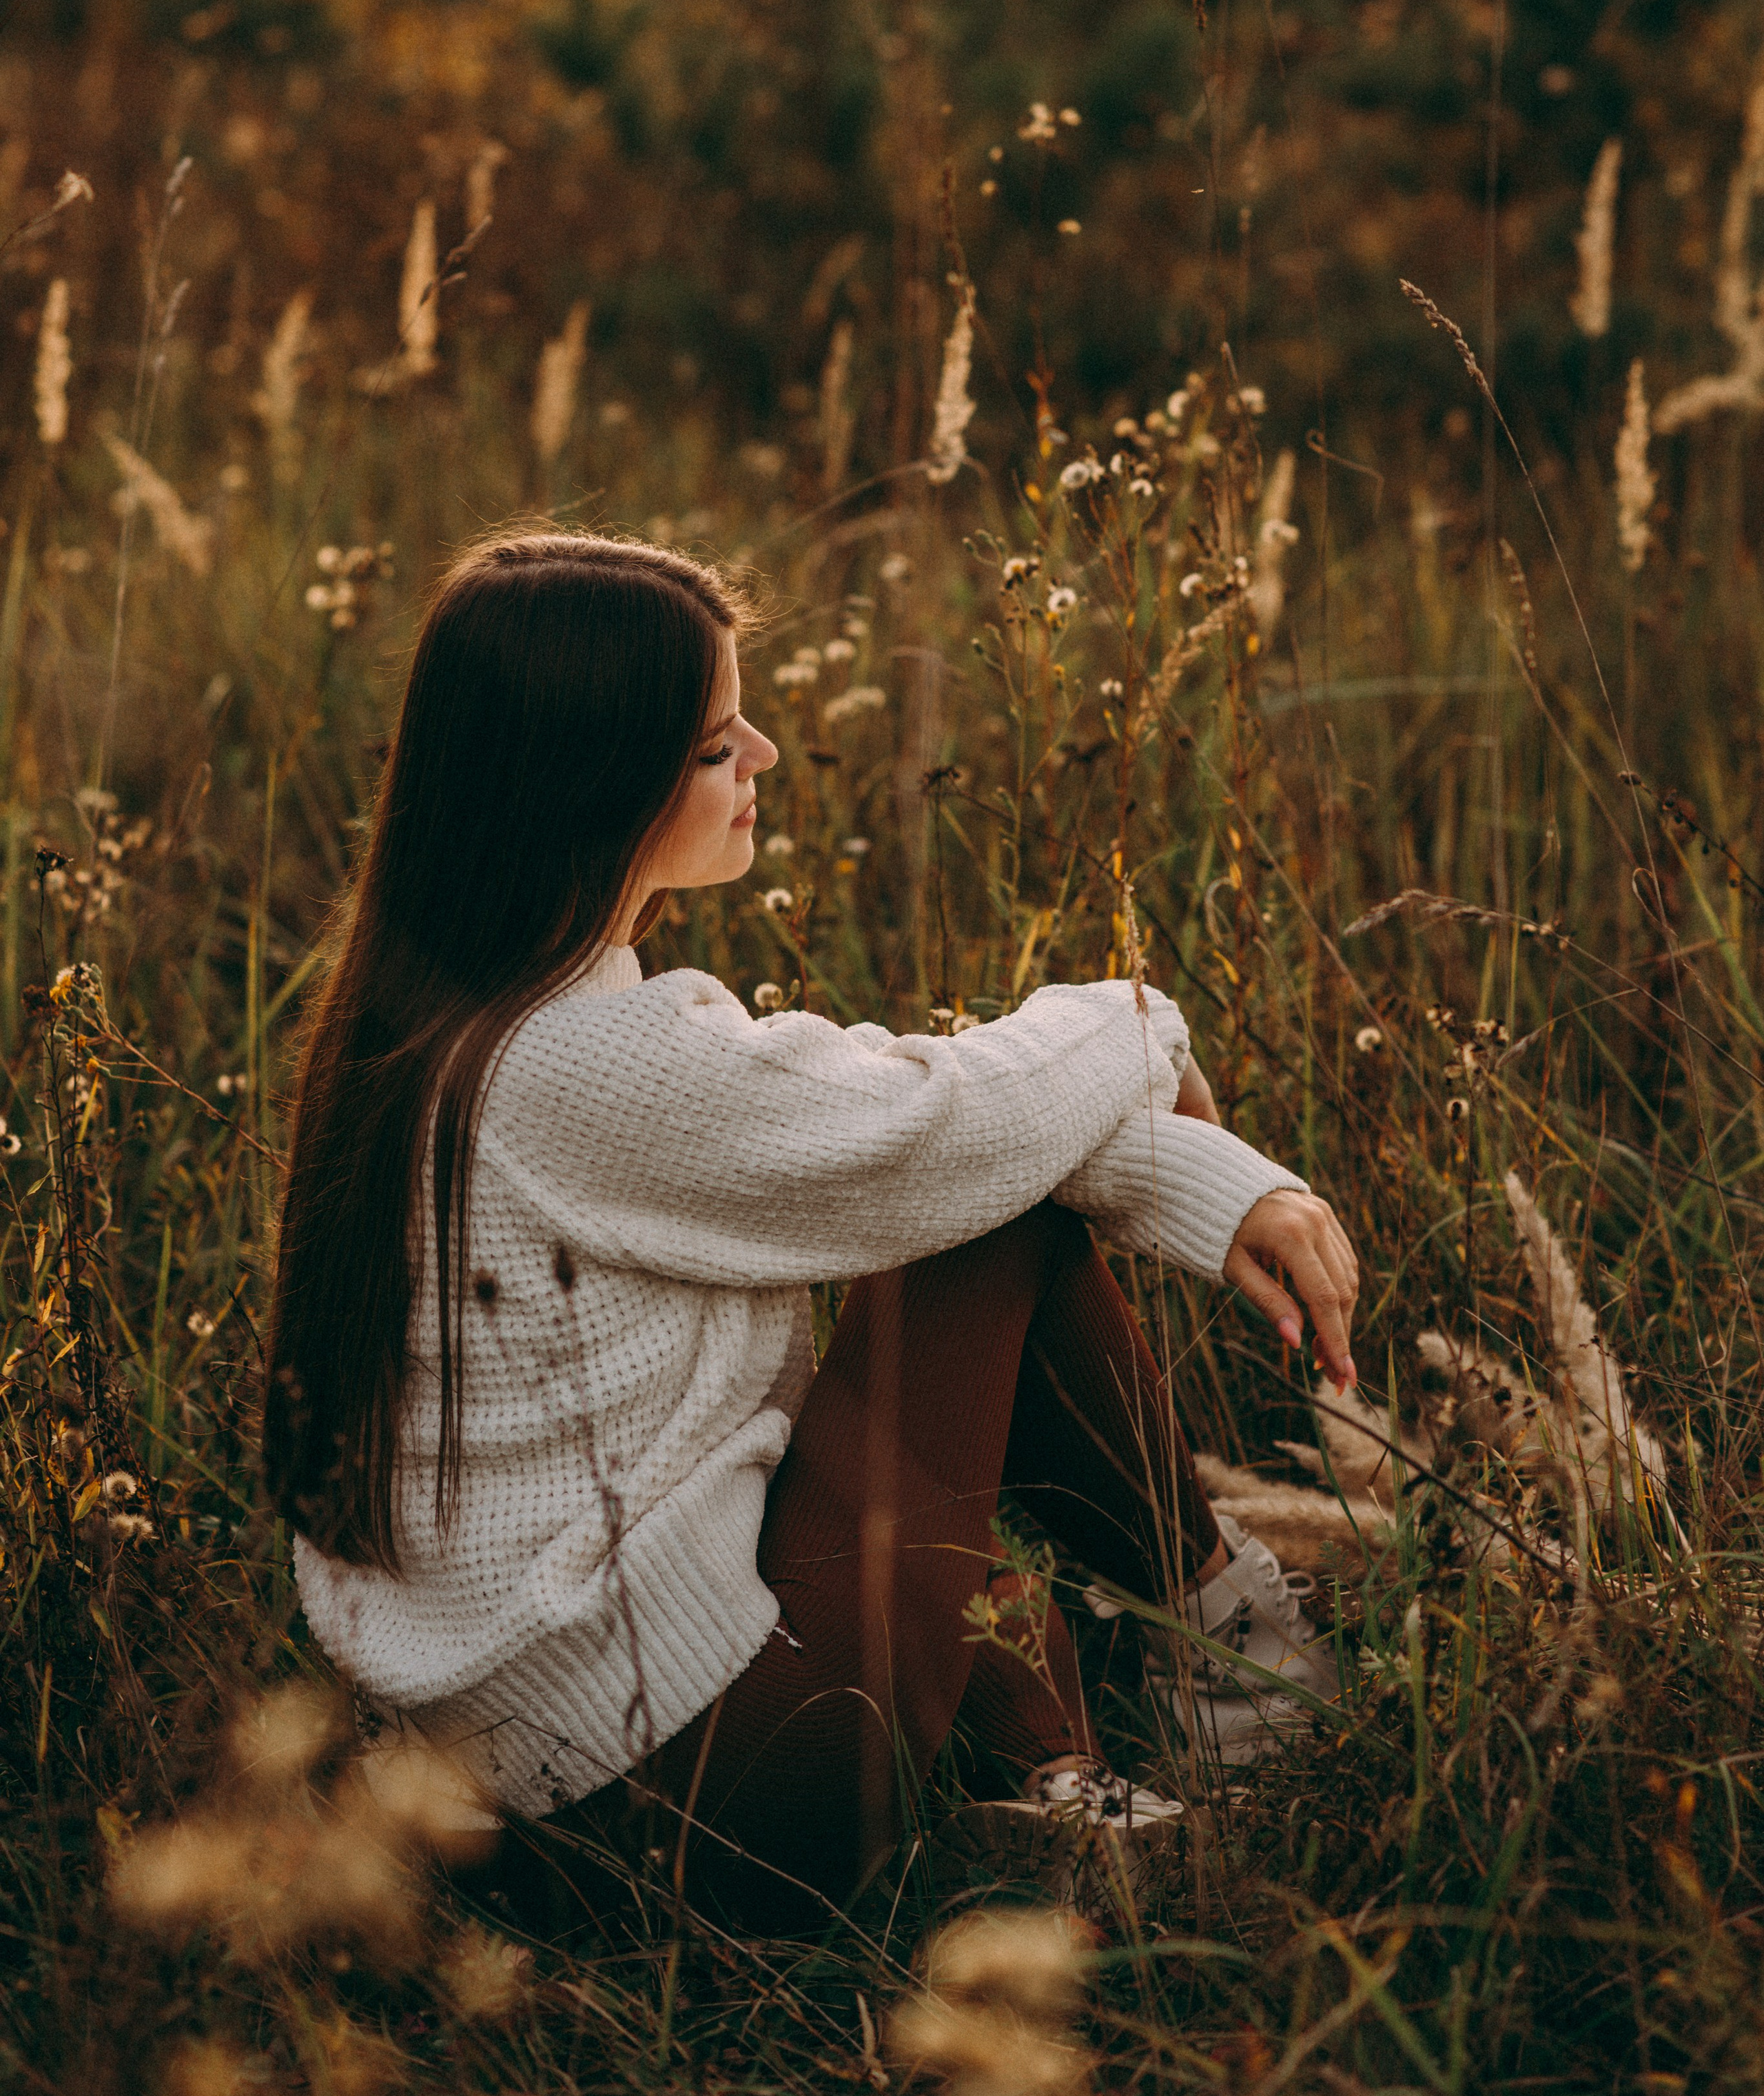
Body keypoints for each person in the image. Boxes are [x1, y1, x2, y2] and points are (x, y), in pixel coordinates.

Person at [265, 530, 1358, 1936]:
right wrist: (1143, 1026)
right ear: (592, 780)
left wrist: (1196, 1180)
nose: (766, 757)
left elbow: (890, 1129)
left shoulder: (437, 1032)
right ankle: (1236, 1661)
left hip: (524, 1808)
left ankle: (1052, 1796)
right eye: (718, 743)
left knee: (921, 1349)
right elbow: (944, 1138)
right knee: (973, 1226)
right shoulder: (581, 1066)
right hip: (698, 1784)